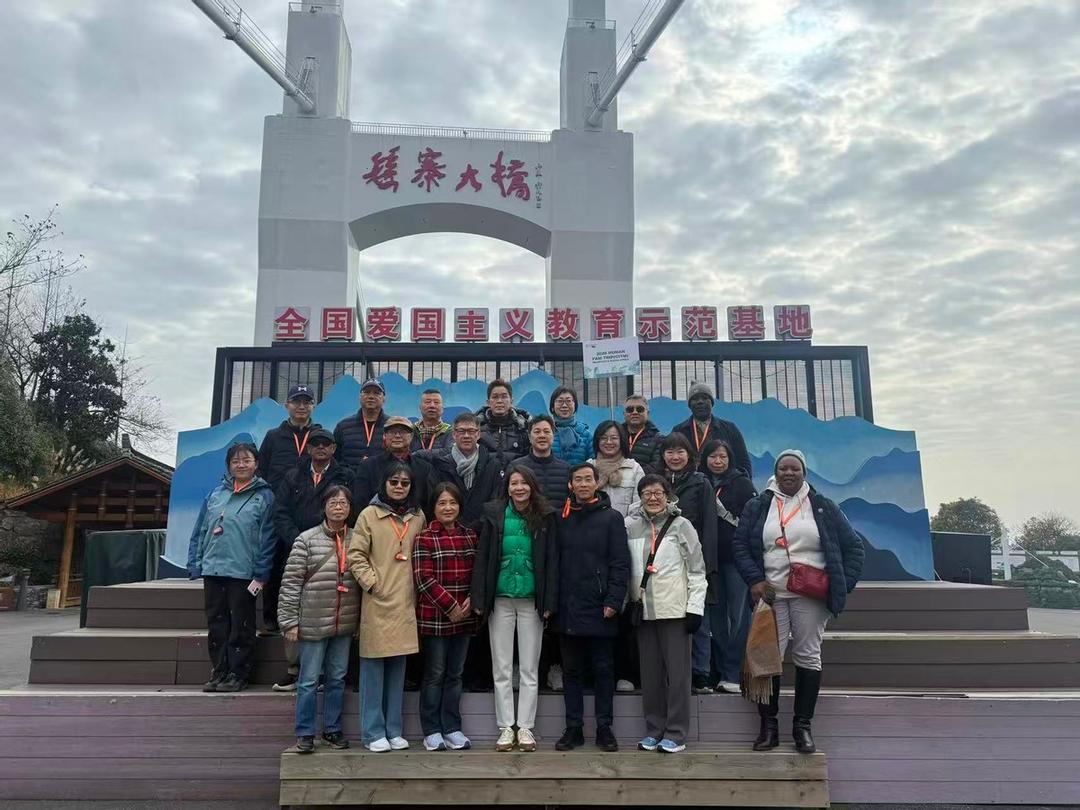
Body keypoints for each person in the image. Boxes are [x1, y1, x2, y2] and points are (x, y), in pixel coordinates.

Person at [732, 449, 865, 754]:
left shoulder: (823, 507)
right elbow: (740, 546)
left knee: (808, 656)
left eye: (795, 469)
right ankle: (768, 727)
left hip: (811, 596)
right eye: (783, 468)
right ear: (775, 472)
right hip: (771, 595)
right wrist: (754, 580)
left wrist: (840, 586)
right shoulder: (758, 505)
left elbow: (854, 548)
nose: (789, 473)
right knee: (766, 658)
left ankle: (802, 727)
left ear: (804, 473)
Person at [471, 466, 557, 753]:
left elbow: (552, 560)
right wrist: (479, 598)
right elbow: (483, 556)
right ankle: (506, 727)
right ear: (507, 487)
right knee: (502, 667)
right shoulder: (494, 514)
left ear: (532, 486)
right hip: (500, 599)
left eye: (524, 483)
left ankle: (526, 727)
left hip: (532, 600)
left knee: (530, 668)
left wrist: (549, 601)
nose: (519, 488)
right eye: (514, 483)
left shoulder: (545, 515)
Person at [624, 474, 707, 754]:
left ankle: (676, 733)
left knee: (678, 676)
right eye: (646, 493)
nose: (653, 498)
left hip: (675, 611)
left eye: (658, 492)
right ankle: (653, 729)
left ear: (668, 496)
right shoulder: (630, 525)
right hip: (644, 611)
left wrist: (694, 608)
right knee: (650, 677)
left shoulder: (682, 526)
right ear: (640, 497)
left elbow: (697, 570)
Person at [348, 462, 426, 752]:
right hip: (378, 601)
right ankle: (372, 732)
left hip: (406, 602)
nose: (399, 487)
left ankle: (393, 729)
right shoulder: (369, 514)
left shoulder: (418, 516)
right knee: (373, 669)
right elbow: (356, 555)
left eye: (405, 483)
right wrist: (373, 584)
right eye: (394, 482)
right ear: (384, 484)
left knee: (397, 671)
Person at [186, 442, 276, 693]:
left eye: (246, 460)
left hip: (244, 572)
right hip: (213, 569)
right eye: (236, 461)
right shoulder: (215, 494)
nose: (241, 465)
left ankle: (238, 673)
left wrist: (262, 571)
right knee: (216, 623)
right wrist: (195, 562)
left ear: (256, 464)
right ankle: (219, 671)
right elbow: (201, 529)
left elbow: (268, 537)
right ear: (228, 466)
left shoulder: (264, 496)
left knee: (241, 625)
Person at [269, 427, 355, 690]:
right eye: (315, 443)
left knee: (328, 610)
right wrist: (297, 539)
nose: (320, 448)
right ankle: (294, 669)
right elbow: (280, 511)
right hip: (297, 546)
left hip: (333, 548)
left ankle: (324, 674)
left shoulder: (344, 476)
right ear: (308, 448)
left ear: (333, 449)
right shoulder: (293, 475)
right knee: (297, 606)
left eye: (325, 444)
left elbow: (349, 509)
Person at [553, 463, 630, 753]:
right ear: (570, 485)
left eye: (588, 479)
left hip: (600, 606)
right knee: (571, 671)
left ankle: (604, 728)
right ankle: (573, 728)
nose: (583, 484)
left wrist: (613, 600)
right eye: (578, 480)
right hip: (568, 606)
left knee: (603, 670)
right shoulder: (560, 518)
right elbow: (553, 562)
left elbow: (620, 563)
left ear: (597, 483)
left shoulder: (612, 518)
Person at [277, 485, 360, 754]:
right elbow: (291, 583)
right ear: (324, 506)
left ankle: (332, 729)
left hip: (344, 621)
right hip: (312, 622)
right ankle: (305, 733)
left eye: (343, 503)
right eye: (333, 502)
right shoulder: (306, 540)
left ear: (350, 508)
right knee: (309, 680)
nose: (338, 507)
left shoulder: (358, 539)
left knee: (337, 679)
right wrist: (289, 622)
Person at [412, 483, 479, 751]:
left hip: (465, 616)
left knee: (455, 674)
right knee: (435, 674)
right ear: (434, 507)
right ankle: (431, 730)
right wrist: (450, 606)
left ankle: (452, 727)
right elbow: (423, 579)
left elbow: (478, 572)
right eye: (442, 503)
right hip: (436, 617)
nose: (448, 508)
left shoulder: (469, 535)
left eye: (452, 502)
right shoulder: (424, 537)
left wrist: (472, 599)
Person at [655, 433, 719, 695]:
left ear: (689, 455)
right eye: (670, 452)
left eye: (680, 451)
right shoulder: (656, 483)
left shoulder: (701, 483)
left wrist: (708, 565)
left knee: (698, 618)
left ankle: (701, 673)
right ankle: (670, 674)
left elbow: (710, 526)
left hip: (694, 561)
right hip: (663, 563)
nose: (675, 457)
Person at [257, 383, 321, 636]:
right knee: (276, 563)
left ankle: (304, 616)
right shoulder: (274, 436)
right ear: (287, 406)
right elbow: (262, 470)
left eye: (306, 402)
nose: (301, 406)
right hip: (279, 509)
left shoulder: (320, 435)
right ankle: (271, 618)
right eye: (296, 401)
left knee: (307, 564)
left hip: (309, 509)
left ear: (313, 406)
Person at [588, 420, 646, 692]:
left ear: (622, 440)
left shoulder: (634, 469)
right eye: (604, 438)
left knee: (623, 606)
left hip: (624, 544)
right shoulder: (589, 467)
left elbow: (639, 507)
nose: (609, 442)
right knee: (595, 608)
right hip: (592, 548)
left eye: (614, 438)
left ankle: (625, 672)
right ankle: (596, 672)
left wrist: (615, 529)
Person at [700, 438, 757, 693]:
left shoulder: (741, 484)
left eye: (722, 456)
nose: (718, 461)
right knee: (717, 620)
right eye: (713, 456)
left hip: (736, 561)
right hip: (709, 560)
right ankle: (722, 671)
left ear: (730, 458)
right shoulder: (700, 482)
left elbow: (751, 522)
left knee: (739, 617)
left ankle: (734, 671)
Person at [417, 412, 501, 530]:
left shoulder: (492, 464)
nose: (466, 436)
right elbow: (433, 501)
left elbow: (496, 501)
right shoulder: (440, 465)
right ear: (454, 434)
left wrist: (478, 526)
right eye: (461, 431)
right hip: (449, 531)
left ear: (478, 434)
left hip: (484, 531)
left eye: (471, 431)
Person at [353, 416, 434, 515]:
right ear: (384, 436)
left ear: (411, 436)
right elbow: (360, 503)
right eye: (392, 432)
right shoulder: (368, 466)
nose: (397, 436)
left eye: (403, 432)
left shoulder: (424, 468)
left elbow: (429, 505)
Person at [672, 381, 752, 477]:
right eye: (695, 399)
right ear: (689, 405)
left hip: (723, 484)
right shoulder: (679, 431)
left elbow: (744, 463)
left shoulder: (729, 429)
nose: (700, 402)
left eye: (705, 398)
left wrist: (743, 482)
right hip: (689, 484)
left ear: (712, 403)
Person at [507, 415, 571, 510]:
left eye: (546, 431)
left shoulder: (566, 469)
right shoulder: (516, 466)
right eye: (537, 432)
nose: (542, 436)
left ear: (553, 436)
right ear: (529, 437)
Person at [334, 377, 389, 471]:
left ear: (384, 399)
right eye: (367, 392)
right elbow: (335, 460)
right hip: (349, 480)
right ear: (359, 397)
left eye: (376, 393)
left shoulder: (391, 427)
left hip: (382, 479)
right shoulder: (343, 427)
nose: (371, 396)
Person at [475, 379, 529, 472]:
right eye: (495, 397)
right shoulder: (477, 428)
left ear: (511, 401)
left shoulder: (523, 428)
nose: (499, 401)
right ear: (488, 402)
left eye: (504, 397)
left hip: (515, 479)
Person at [549, 386, 591, 466]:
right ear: (552, 406)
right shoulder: (546, 432)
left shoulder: (584, 433)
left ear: (575, 405)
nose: (564, 405)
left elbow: (594, 462)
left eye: (568, 401)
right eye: (560, 401)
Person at [622, 395, 664, 472]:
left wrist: (633, 476)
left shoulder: (659, 439)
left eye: (640, 409)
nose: (635, 412)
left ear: (647, 413)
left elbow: (656, 466)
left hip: (644, 479)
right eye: (630, 409)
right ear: (624, 414)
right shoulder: (616, 436)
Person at [412, 389, 452, 453]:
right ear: (420, 407)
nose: (432, 406)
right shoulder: (411, 431)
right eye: (427, 402)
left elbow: (449, 453)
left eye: (436, 402)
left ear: (442, 409)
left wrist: (420, 454)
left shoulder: (450, 432)